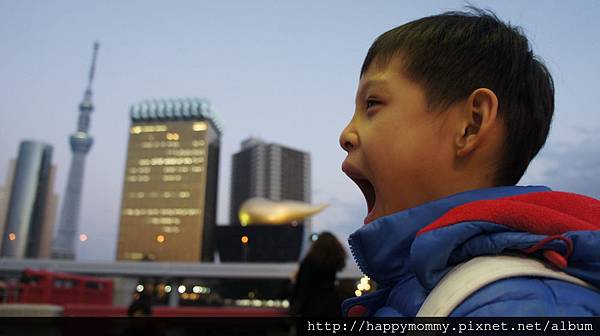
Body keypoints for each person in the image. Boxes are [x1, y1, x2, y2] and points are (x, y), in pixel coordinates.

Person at [338, 7, 600, 317]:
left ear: (471, 124)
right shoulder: (423, 288)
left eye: (372, 103)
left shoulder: (518, 306)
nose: (346, 135)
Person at [290, 232, 347, 317]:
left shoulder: (309, 262)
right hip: (330, 303)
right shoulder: (334, 263)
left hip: (310, 304)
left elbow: (302, 285)